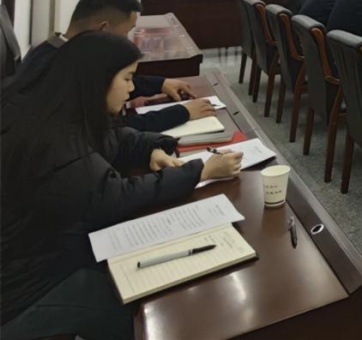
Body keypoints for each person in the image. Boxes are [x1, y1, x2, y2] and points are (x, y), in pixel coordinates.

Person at [0, 33, 243, 340]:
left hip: (43, 252)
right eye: (127, 78)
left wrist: (151, 149)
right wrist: (200, 170)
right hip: (19, 290)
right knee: (122, 306)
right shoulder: (51, 137)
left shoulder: (59, 108)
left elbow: (112, 139)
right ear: (98, 80)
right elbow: (112, 198)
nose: (131, 88)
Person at [6, 0, 216, 132]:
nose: (128, 40)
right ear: (103, 30)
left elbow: (105, 85)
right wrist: (182, 112)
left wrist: (160, 83)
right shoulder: (62, 71)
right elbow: (112, 131)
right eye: (126, 32)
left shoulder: (54, 49)